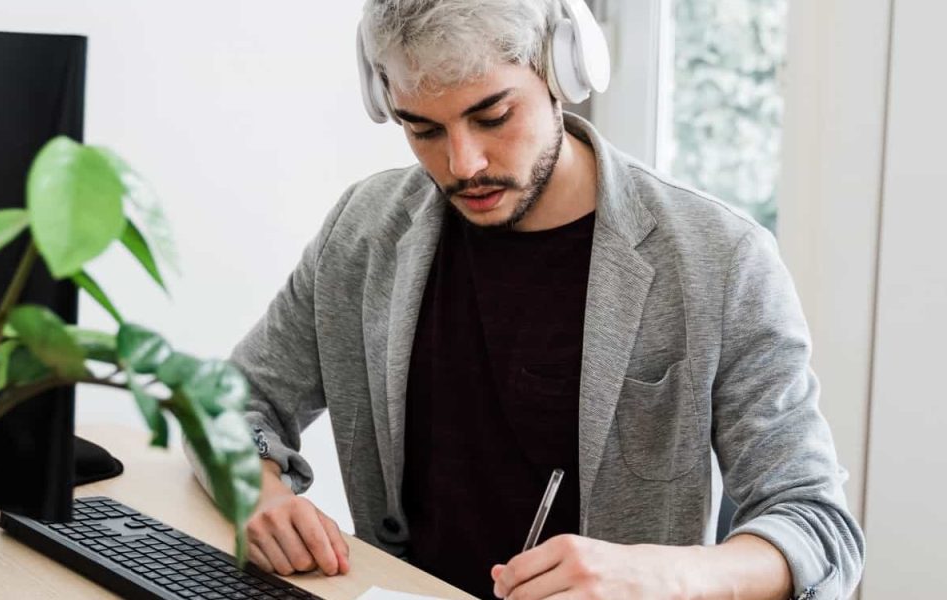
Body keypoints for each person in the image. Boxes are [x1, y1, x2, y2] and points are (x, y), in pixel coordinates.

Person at [189, 1, 865, 597]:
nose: (464, 164)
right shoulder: (364, 231)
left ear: (560, 72)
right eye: (423, 129)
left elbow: (819, 529)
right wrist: (256, 486)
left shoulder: (720, 259)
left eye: (492, 115)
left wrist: (663, 576)